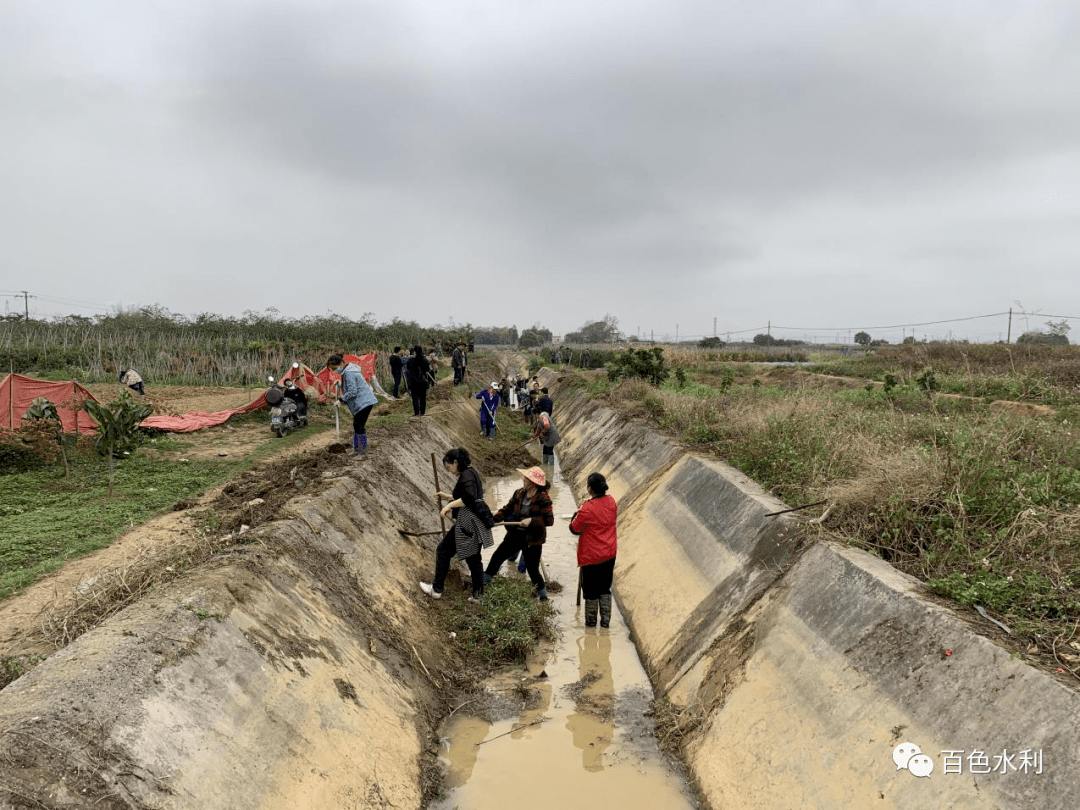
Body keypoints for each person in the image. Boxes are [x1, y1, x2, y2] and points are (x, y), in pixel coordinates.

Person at [421, 448, 492, 601]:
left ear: (455, 462)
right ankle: (478, 596)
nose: (449, 471)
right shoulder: (470, 472)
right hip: (477, 521)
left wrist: (448, 506)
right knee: (473, 559)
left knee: (443, 551)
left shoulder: (466, 475)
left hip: (468, 522)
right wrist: (448, 497)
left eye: (449, 467)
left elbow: (469, 498)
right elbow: (464, 494)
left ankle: (436, 589)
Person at [483, 466, 554, 600]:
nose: (523, 481)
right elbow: (506, 509)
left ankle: (544, 598)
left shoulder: (543, 498)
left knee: (533, 571)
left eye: (526, 479)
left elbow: (549, 520)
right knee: (497, 557)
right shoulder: (519, 493)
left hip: (532, 539)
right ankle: (482, 584)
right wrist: (494, 519)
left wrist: (532, 521)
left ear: (533, 483)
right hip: (515, 535)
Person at [569, 472, 618, 628]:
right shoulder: (611, 502)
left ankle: (590, 626)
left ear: (590, 489)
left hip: (591, 556)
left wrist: (578, 512)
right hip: (609, 553)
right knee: (605, 588)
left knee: (590, 591)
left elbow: (574, 528)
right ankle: (605, 625)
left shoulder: (586, 509)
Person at [327, 354, 377, 456]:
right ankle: (357, 449)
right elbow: (353, 385)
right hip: (364, 401)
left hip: (363, 402)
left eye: (335, 368)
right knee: (356, 426)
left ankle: (362, 453)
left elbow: (352, 391)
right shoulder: (349, 371)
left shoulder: (349, 373)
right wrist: (341, 384)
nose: (334, 371)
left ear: (341, 364)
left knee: (359, 427)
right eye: (332, 369)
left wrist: (341, 400)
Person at [406, 344, 433, 416]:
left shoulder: (411, 361)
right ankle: (422, 412)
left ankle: (416, 412)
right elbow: (428, 370)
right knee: (423, 397)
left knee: (415, 397)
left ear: (414, 352)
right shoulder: (425, 360)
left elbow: (408, 369)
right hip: (423, 382)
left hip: (414, 382)